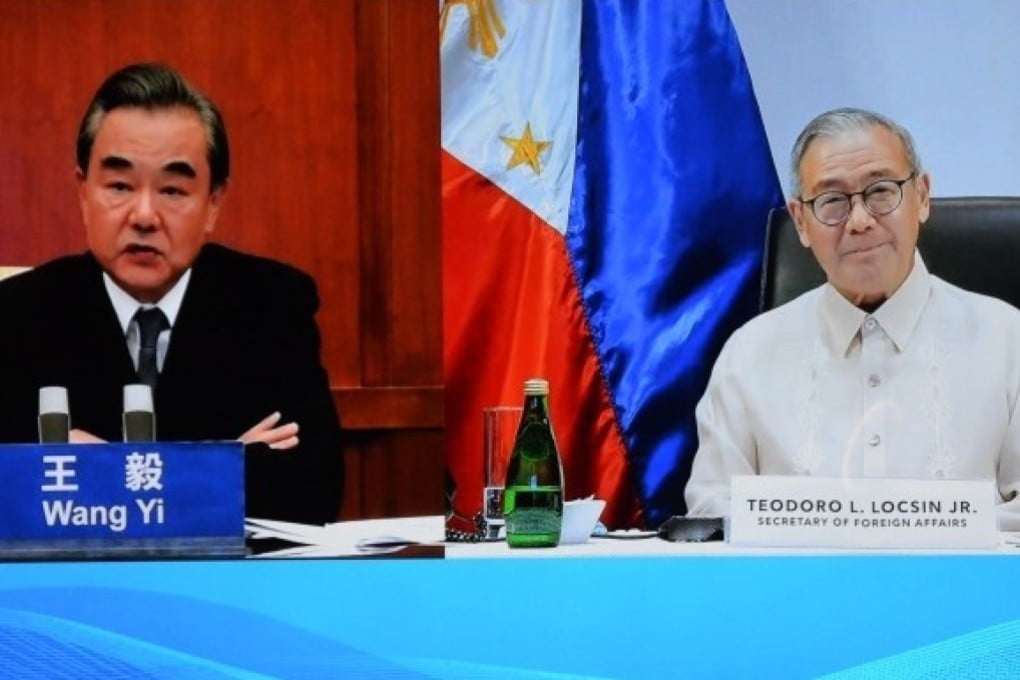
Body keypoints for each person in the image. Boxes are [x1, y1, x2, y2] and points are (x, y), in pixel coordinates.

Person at [0, 63, 343, 525]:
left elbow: (311, 487)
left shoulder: (272, 304)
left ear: (213, 203)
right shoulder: (18, 313)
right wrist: (221, 466)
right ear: (83, 192)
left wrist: (105, 472)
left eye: (173, 190)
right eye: (119, 185)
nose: (144, 215)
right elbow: (10, 492)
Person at [685, 107, 1020, 529]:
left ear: (922, 196)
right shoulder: (749, 354)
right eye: (832, 202)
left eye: (881, 191)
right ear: (802, 222)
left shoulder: (1007, 340)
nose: (860, 221)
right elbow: (714, 510)